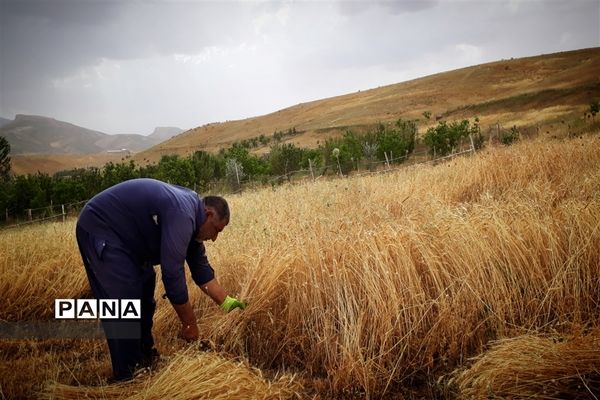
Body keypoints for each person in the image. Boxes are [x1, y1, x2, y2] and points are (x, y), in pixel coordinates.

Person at [75, 178, 245, 381]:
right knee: (125, 299)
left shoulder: (194, 222)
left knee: (145, 290)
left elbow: (202, 272)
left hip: (131, 243)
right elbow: (172, 273)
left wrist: (228, 303)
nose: (215, 238)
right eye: (217, 230)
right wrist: (189, 324)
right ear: (208, 214)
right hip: (101, 226)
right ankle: (128, 375)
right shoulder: (184, 214)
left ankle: (145, 357)